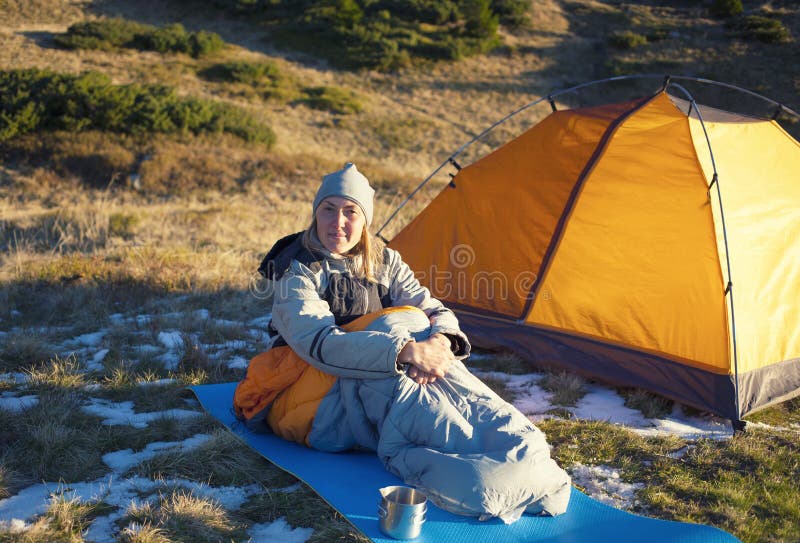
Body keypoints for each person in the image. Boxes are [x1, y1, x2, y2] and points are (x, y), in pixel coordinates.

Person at [235, 162, 571, 523]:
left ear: (366, 220)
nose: (338, 223)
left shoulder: (384, 261)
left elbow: (431, 307)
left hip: (388, 372)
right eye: (328, 210)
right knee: (402, 325)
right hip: (309, 398)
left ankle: (521, 454)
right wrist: (404, 350)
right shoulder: (299, 271)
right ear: (315, 214)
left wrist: (440, 341)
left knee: (435, 354)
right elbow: (318, 344)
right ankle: (481, 475)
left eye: (351, 212)